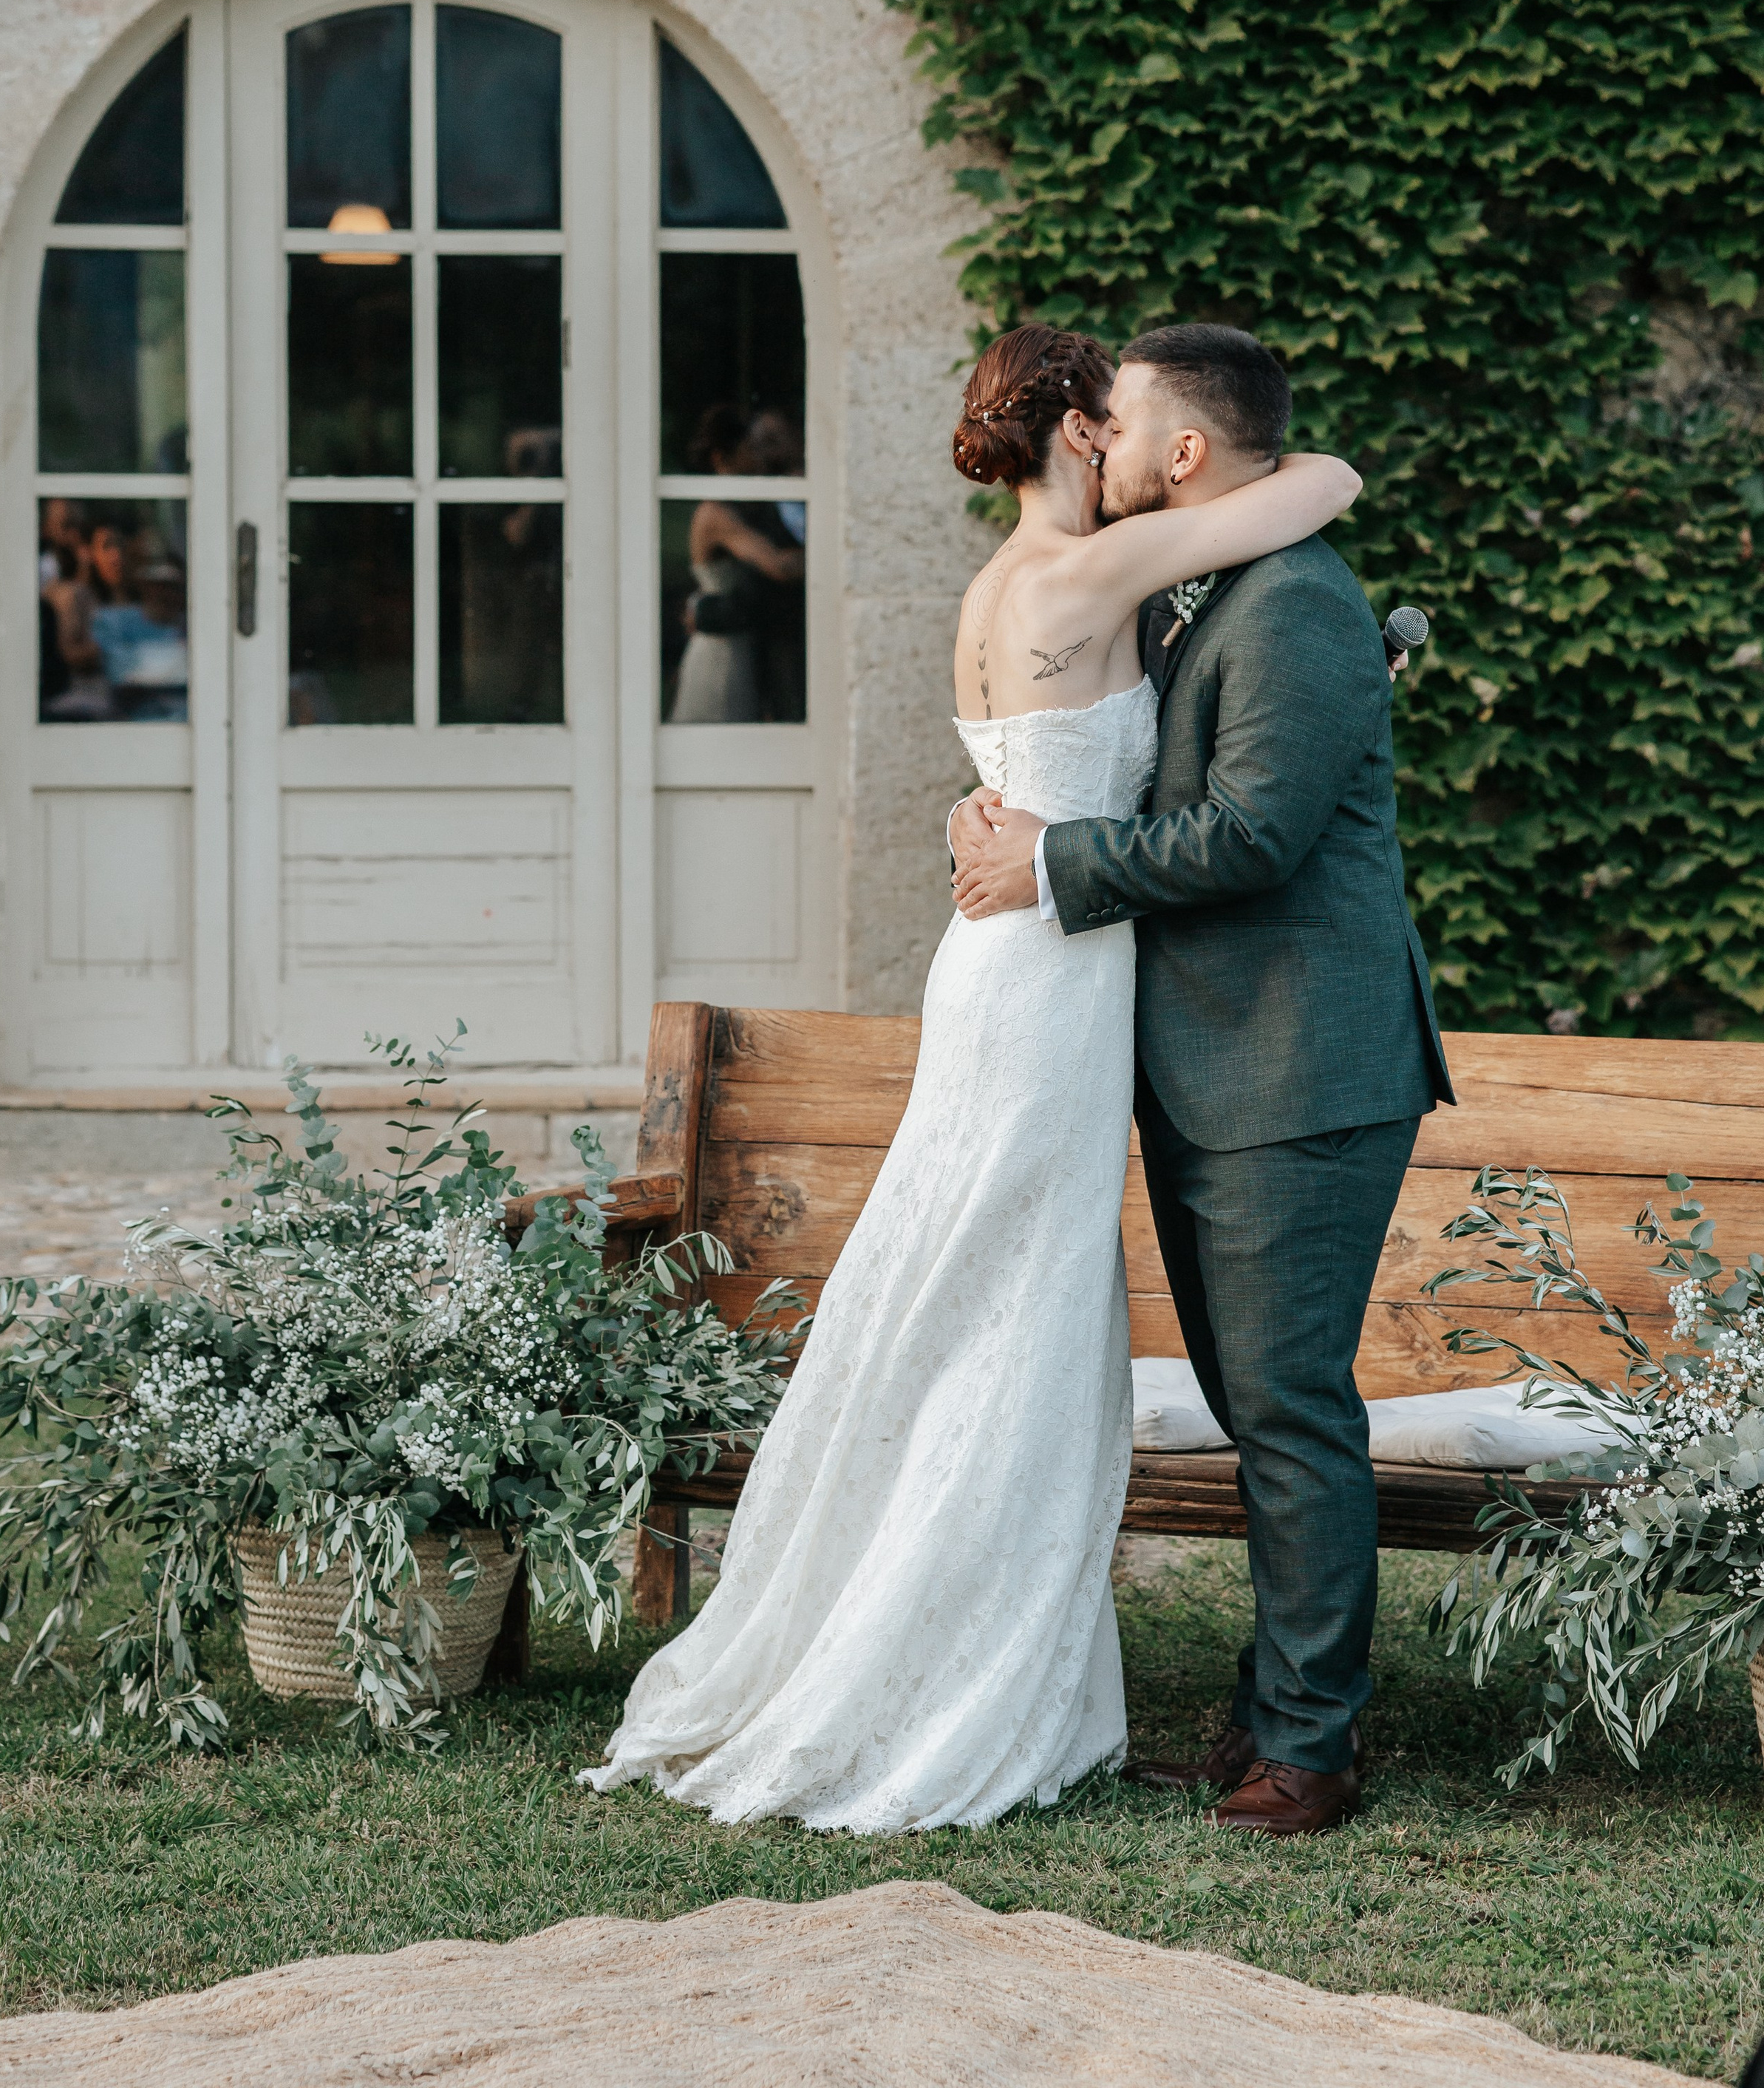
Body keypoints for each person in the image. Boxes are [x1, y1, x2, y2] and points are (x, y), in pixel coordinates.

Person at [581, 322, 1362, 1832]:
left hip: (1022, 962)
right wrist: (1320, 456)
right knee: (999, 1307)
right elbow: (1307, 487)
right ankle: (951, 1667)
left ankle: (1023, 1664)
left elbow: (1085, 761)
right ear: (1080, 434)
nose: (1129, 438)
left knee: (980, 1294)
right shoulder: (1082, 575)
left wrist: (1029, 838)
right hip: (1044, 975)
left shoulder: (1005, 586)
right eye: (1112, 412)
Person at [950, 322, 1454, 1838]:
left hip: (1298, 1068)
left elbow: (1250, 837)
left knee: (1290, 1412)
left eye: (1123, 417)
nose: (1095, 436)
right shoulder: (1210, 587)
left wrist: (1044, 861)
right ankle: (1262, 1720)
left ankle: (1310, 1749)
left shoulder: (1291, 603)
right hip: (1213, 1062)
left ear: (1184, 451)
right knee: (1257, 1404)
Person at [667, 406, 806, 724]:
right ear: (722, 458)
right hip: (722, 653)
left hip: (745, 647)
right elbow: (779, 566)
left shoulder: (748, 505)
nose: (760, 457)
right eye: (752, 449)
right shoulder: (716, 513)